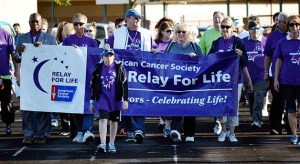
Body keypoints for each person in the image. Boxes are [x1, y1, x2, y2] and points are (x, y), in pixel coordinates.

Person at [106, 8, 156, 144]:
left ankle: (139, 129)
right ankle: (129, 130)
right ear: (127, 19)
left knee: (139, 99)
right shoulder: (118, 34)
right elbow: (106, 47)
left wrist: (155, 51)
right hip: (122, 74)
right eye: (135, 18)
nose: (138, 20)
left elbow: (155, 48)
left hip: (140, 74)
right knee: (124, 100)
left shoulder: (146, 33)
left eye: (139, 18)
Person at [208, 17, 253, 142]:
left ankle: (232, 133)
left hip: (235, 79)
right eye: (223, 27)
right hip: (220, 80)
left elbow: (244, 62)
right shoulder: (216, 43)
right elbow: (210, 60)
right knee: (221, 105)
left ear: (232, 28)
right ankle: (223, 130)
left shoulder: (238, 41)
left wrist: (248, 81)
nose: (225, 29)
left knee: (233, 107)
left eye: (227, 27)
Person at [15, 13, 57, 144]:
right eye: (32, 22)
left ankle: (42, 134)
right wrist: (19, 52)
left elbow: (56, 57)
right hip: (28, 77)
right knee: (26, 107)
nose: (35, 24)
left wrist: (43, 49)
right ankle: (28, 134)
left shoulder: (49, 39)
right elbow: (16, 58)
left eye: (37, 22)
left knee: (42, 107)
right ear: (29, 23)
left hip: (44, 78)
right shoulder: (21, 38)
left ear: (41, 22)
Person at [63, 13, 98, 144]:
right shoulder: (67, 41)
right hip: (73, 78)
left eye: (81, 24)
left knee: (88, 105)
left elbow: (97, 60)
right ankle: (80, 131)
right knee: (74, 105)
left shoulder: (92, 42)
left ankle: (87, 131)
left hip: (88, 78)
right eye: (75, 24)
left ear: (86, 24)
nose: (78, 26)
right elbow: (62, 57)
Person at [165, 22, 202, 142]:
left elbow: (203, 64)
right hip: (174, 82)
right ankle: (175, 130)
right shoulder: (171, 46)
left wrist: (195, 59)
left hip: (191, 83)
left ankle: (190, 133)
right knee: (176, 105)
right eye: (178, 32)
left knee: (190, 107)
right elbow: (163, 61)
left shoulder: (195, 47)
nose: (180, 34)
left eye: (183, 32)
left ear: (189, 34)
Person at [90, 48, 128, 153]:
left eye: (111, 56)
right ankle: (102, 143)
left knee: (114, 121)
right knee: (103, 119)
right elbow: (93, 85)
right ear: (102, 57)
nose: (108, 58)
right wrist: (92, 101)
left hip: (115, 98)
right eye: (106, 56)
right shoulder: (98, 68)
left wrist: (125, 100)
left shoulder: (119, 67)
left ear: (114, 57)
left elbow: (125, 84)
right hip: (102, 97)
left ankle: (111, 143)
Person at [273, 15, 300, 144]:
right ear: (287, 26)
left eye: (297, 24)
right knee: (291, 109)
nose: (294, 27)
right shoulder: (282, 42)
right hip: (287, 81)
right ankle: (294, 135)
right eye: (292, 25)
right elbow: (278, 61)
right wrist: (275, 79)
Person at [264, 12, 289, 135]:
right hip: (276, 75)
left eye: (286, 21)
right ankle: (276, 126)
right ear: (278, 23)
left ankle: (290, 126)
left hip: (292, 76)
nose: (285, 24)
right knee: (277, 101)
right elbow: (267, 56)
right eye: (282, 21)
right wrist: (266, 72)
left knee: (291, 102)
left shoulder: (295, 35)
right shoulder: (272, 36)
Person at [242, 21, 268, 128]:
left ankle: (257, 120)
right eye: (253, 28)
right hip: (247, 76)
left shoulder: (265, 41)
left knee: (258, 97)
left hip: (261, 76)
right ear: (249, 30)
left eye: (258, 28)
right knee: (252, 99)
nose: (256, 30)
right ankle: (255, 119)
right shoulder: (243, 42)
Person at [0, 28, 16, 135]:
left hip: (4, 76)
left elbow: (14, 54)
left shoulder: (6, 34)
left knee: (6, 102)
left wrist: (17, 71)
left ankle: (8, 124)